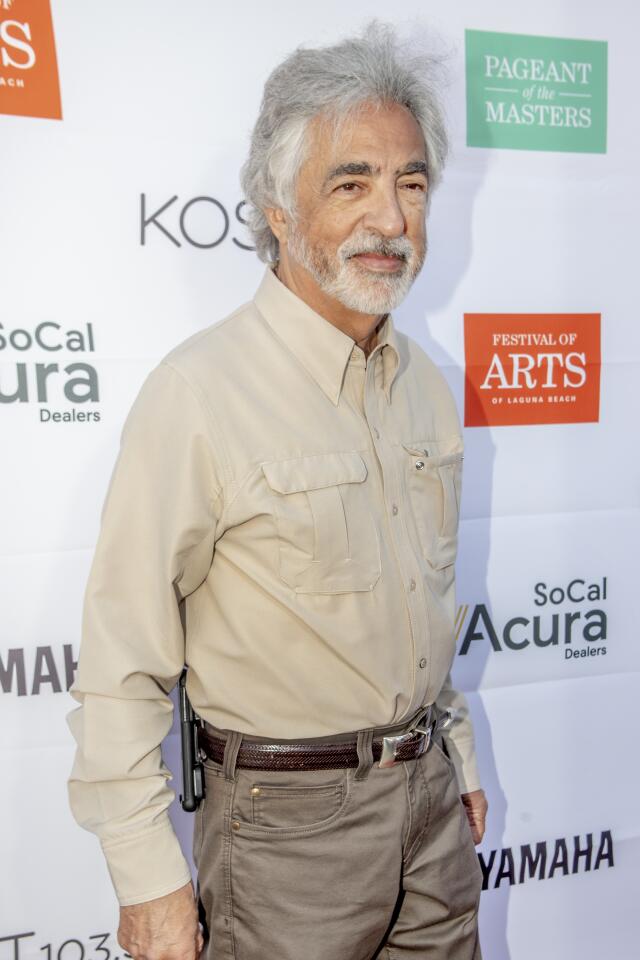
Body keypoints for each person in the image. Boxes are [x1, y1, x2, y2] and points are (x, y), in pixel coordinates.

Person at [68, 22, 487, 960]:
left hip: (431, 809)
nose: (391, 219)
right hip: (286, 837)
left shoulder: (422, 384)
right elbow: (122, 659)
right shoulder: (198, 393)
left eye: (411, 184)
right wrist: (148, 878)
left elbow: (427, 598)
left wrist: (449, 753)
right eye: (352, 183)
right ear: (278, 207)